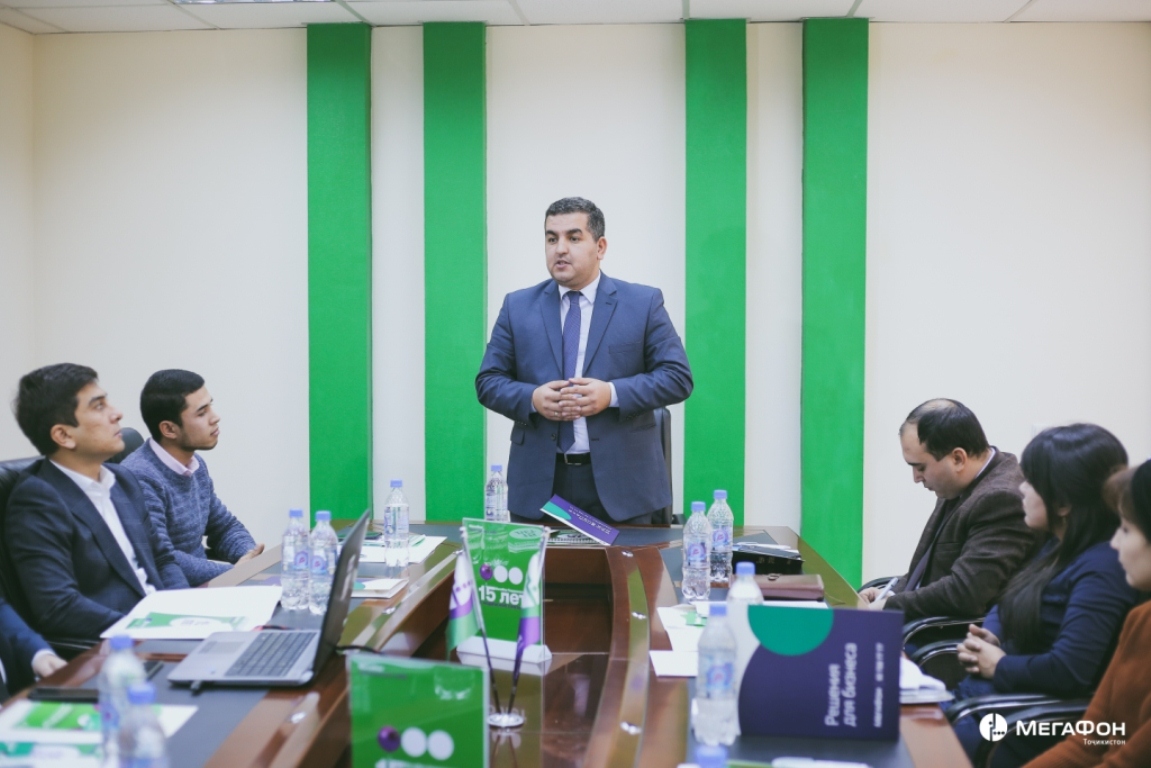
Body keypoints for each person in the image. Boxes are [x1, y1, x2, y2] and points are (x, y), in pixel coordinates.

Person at [475, 197, 692, 524]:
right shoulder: (517, 307)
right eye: (552, 239)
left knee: (626, 562)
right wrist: (532, 398)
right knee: (543, 563)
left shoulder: (642, 303)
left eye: (573, 238)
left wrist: (611, 393)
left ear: (600, 247)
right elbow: (488, 382)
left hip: (624, 487)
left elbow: (677, 377)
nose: (560, 249)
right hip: (540, 486)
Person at [949, 424, 1137, 765]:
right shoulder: (1058, 544)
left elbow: (1069, 671)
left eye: (1031, 482)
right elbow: (1010, 598)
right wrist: (994, 633)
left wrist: (999, 665)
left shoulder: (1102, 571)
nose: (1021, 489)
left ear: (1062, 503)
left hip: (1028, 726)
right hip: (992, 704)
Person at [5, 364, 189, 643]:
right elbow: (59, 608)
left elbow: (162, 558)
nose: (117, 414)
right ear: (64, 436)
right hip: (116, 647)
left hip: (168, 630)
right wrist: (150, 629)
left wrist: (184, 614)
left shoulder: (122, 479)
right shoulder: (36, 501)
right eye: (99, 406)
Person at [1023, 459, 1151, 767]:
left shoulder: (1098, 570)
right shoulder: (1141, 620)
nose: (1115, 543)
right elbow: (1090, 741)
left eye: (1126, 529)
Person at [863, 399, 1037, 619]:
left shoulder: (1001, 498)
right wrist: (889, 593)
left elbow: (966, 593)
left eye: (920, 467)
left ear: (957, 458)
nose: (916, 478)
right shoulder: (959, 484)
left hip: (955, 634)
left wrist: (888, 606)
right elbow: (933, 570)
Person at [121, 370, 263, 586]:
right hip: (173, 593)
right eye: (202, 413)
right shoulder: (140, 477)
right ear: (169, 429)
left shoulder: (196, 465)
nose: (215, 417)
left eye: (210, 406)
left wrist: (249, 557)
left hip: (205, 586)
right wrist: (233, 572)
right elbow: (161, 557)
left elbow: (224, 527)